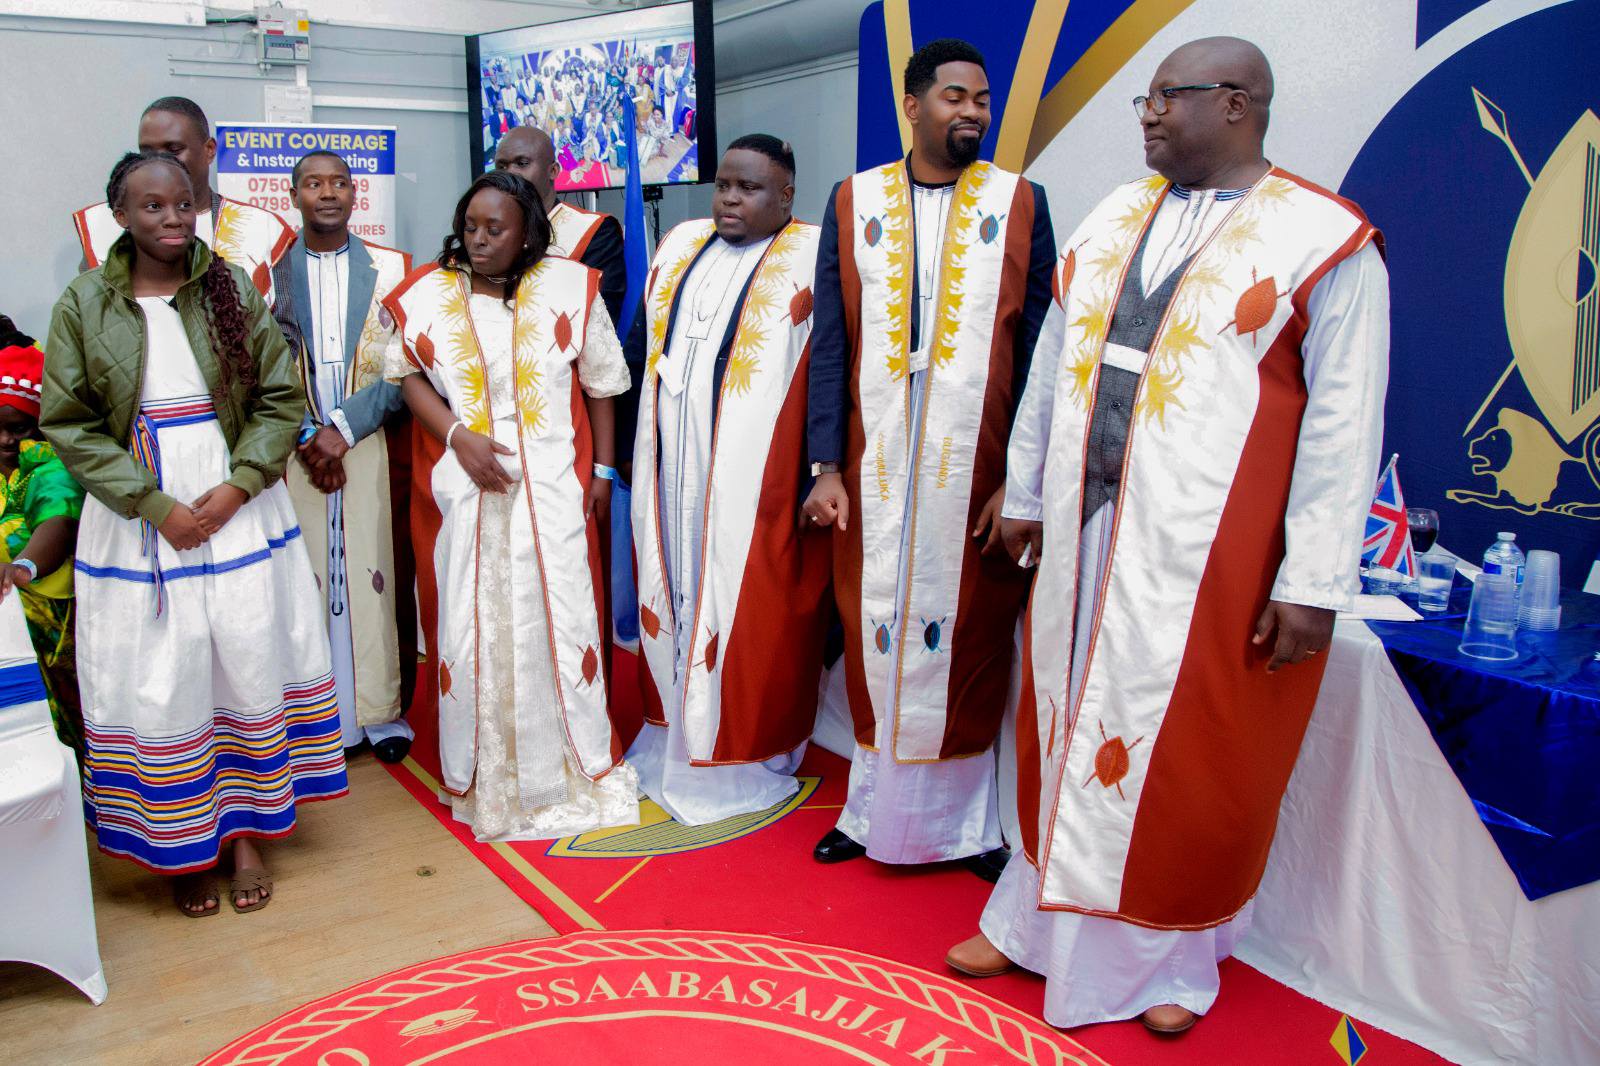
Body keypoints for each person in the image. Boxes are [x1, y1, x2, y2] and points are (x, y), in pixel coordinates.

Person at [945, 37, 1390, 1035]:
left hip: (1205, 549)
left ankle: (1167, 956)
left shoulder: (1324, 238)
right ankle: (1027, 920)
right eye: (1141, 100)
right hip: (1086, 523)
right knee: (1058, 722)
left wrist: (1313, 579)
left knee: (1181, 749)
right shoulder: (1109, 216)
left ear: (1235, 104)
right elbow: (1054, 362)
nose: (1144, 115)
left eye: (1163, 98)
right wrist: (1023, 489)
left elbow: (1342, 423)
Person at [43, 150, 345, 917]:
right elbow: (69, 425)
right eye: (152, 208)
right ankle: (185, 844)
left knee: (242, 658)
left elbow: (281, 396)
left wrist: (239, 485)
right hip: (140, 512)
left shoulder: (228, 288)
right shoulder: (83, 302)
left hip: (234, 499)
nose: (173, 220)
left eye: (183, 206)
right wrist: (153, 504)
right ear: (118, 216)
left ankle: (244, 834)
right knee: (166, 673)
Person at [802, 38, 1055, 880]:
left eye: (981, 99)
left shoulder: (1021, 202)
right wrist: (823, 467)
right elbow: (831, 345)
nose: (972, 112)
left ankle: (965, 829)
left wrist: (1022, 482)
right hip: (872, 470)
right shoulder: (854, 201)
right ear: (914, 107)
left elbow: (1041, 353)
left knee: (970, 641)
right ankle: (871, 814)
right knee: (873, 630)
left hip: (975, 473)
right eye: (955, 97)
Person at [382, 170, 639, 841]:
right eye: (470, 227)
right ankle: (488, 779)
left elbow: (603, 382)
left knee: (556, 623)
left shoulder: (570, 288)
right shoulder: (431, 294)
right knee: (475, 630)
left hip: (552, 491)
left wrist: (604, 471)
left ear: (528, 231)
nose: (480, 240)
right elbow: (406, 375)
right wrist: (457, 438)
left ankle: (567, 772)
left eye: (495, 229)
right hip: (470, 492)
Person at [625, 136, 829, 825]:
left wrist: (820, 468)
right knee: (671, 585)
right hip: (671, 459)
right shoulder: (682, 242)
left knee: (747, 601)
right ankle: (673, 736)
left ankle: (741, 752)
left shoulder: (812, 253)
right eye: (723, 187)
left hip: (753, 474)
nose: (730, 201)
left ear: (786, 196)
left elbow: (828, 366)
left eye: (749, 189)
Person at [271, 149, 416, 763]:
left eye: (338, 183)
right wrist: (307, 434)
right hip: (294, 444)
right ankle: (310, 718)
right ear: (295, 194)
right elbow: (262, 365)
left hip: (366, 436)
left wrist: (342, 427)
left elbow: (405, 362)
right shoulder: (268, 274)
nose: (327, 193)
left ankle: (377, 714)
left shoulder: (391, 269)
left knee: (371, 564)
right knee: (305, 571)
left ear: (356, 194)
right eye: (313, 183)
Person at [71, 97, 295, 300]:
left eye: (174, 149)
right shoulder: (103, 222)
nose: (159, 162)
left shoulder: (262, 227)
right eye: (147, 151)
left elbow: (284, 335)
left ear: (209, 150)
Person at [0, 334, 85, 751]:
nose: (5, 440)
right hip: (8, 630)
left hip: (57, 634)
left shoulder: (48, 466)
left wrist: (23, 568)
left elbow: (59, 522)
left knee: (68, 729)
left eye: (18, 428)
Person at [493, 126, 628, 325]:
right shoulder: (486, 233)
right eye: (502, 167)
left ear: (553, 171)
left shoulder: (596, 231)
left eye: (522, 163)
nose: (510, 174)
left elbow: (600, 320)